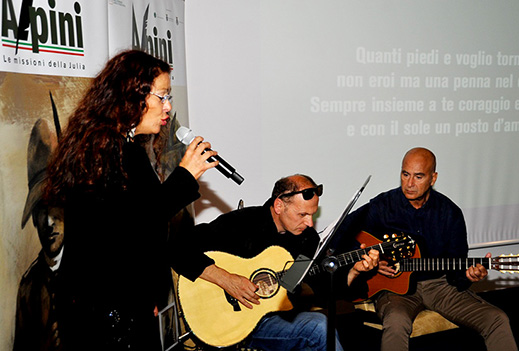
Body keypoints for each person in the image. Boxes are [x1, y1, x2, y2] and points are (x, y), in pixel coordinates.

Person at [43, 49, 218, 350]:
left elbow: (133, 234)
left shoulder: (120, 145)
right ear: (133, 96)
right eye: (162, 96)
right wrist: (186, 176)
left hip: (120, 305)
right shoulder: (105, 150)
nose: (168, 107)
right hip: (103, 314)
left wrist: (144, 295)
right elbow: (135, 223)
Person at [332, 147, 517, 351]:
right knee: (396, 321)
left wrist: (469, 276)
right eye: (405, 174)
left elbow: (457, 272)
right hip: (396, 289)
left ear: (433, 178)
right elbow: (339, 236)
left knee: (496, 319)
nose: (410, 184)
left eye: (418, 176)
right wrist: (373, 262)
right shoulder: (382, 206)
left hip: (440, 286)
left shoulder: (449, 212)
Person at [172, 174, 379, 351]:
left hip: (274, 318)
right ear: (279, 205)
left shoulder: (306, 239)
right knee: (319, 328)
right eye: (302, 214)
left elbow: (322, 287)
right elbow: (177, 248)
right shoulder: (243, 223)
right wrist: (227, 280)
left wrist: (354, 271)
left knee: (319, 330)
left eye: (312, 215)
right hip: (229, 323)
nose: (309, 223)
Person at [15, 118, 65, 351]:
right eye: (40, 211)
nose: (48, 221)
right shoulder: (29, 287)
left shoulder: (92, 263)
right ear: (34, 219)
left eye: (53, 206)